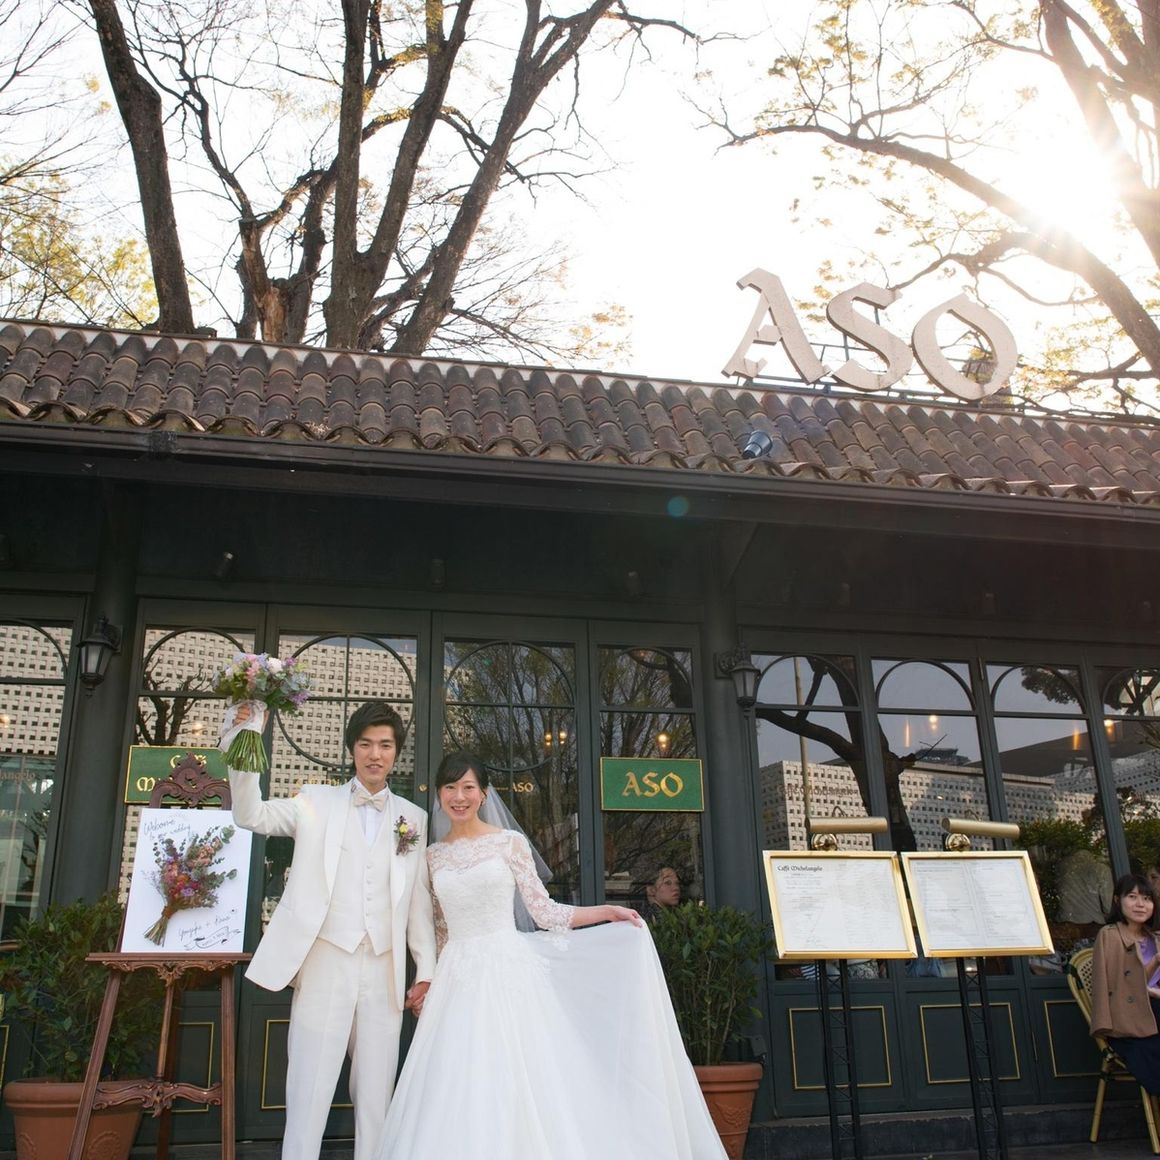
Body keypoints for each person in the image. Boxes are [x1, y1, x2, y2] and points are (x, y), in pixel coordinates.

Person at [377, 751, 728, 1160]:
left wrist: (606, 911)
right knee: (457, 1080)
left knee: (523, 1079)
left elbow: (544, 911)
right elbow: (441, 929)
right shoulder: (432, 855)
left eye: (468, 787)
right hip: (457, 978)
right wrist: (431, 982)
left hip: (507, 972)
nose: (459, 796)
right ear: (439, 794)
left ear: (484, 793)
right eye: (450, 787)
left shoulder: (509, 843)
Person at [226, 701, 436, 1160]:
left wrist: (425, 970)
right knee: (309, 1088)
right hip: (325, 961)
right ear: (352, 749)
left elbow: (418, 903)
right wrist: (245, 735)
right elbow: (250, 815)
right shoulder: (314, 802)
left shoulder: (413, 818)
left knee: (377, 1096)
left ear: (396, 752)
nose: (375, 754)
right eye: (366, 744)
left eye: (385, 745)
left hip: (384, 969)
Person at [1089, 873, 1160, 1093]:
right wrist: (1151, 987)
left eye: (1147, 898)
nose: (1141, 904)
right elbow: (1117, 987)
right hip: (1129, 1024)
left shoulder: (1155, 937)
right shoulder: (1109, 935)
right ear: (1117, 900)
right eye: (1132, 897)